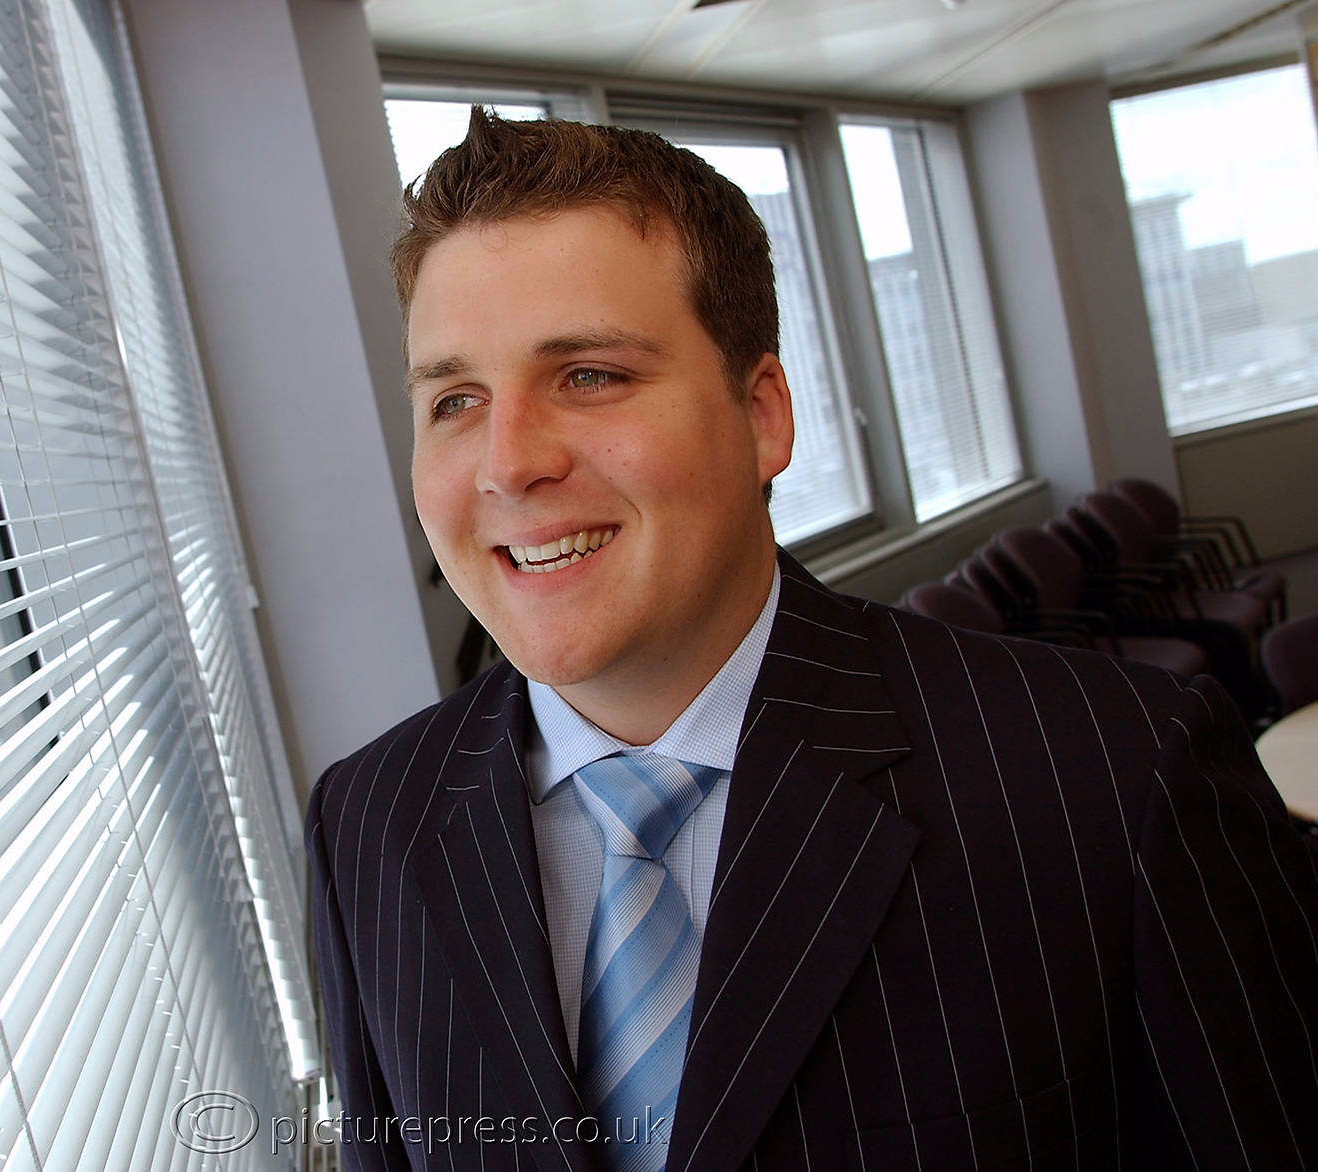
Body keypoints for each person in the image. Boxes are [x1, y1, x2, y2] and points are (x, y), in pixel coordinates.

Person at [305, 107, 1318, 1172]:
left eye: (588, 374)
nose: (507, 464)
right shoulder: (367, 824)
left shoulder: (1107, 774)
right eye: (454, 398)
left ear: (761, 415)